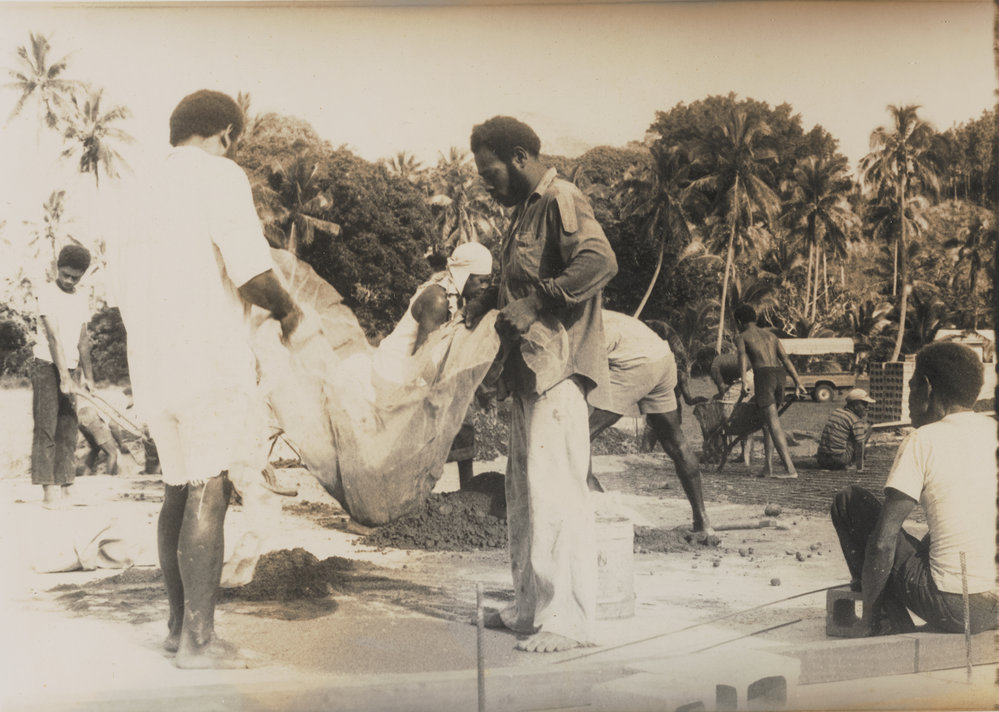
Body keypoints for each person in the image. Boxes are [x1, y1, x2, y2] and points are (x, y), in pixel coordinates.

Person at [108, 90, 303, 669]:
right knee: (208, 489)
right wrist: (289, 310)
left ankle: (177, 630)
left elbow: (120, 291)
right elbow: (251, 273)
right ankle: (200, 642)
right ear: (225, 134)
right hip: (207, 362)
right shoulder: (219, 175)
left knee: (177, 486)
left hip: (153, 364)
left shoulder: (135, 189)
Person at [471, 116, 617, 652]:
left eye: (491, 173)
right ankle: (530, 607)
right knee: (526, 496)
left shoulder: (561, 199)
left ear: (518, 157)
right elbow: (519, 281)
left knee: (557, 496)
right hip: (527, 375)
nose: (488, 185)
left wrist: (536, 302)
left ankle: (569, 621)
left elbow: (599, 261)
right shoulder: (522, 215)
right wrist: (489, 299)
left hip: (557, 374)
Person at [830, 342, 998, 636]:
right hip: (993, 605)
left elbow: (883, 543)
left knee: (850, 501)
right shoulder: (991, 430)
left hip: (955, 608)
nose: (908, 400)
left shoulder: (923, 439)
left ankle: (883, 619)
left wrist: (867, 618)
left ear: (927, 388)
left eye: (911, 388)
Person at [373, 242, 493, 489]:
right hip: (397, 373)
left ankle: (466, 489)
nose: (484, 287)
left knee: (462, 415)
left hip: (424, 369)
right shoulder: (438, 299)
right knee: (407, 439)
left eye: (487, 281)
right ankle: (399, 492)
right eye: (481, 281)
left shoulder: (459, 296)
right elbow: (420, 357)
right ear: (465, 275)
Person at [588, 311, 713, 538]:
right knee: (676, 442)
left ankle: (597, 506)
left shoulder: (566, 325)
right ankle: (703, 522)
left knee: (579, 434)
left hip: (635, 362)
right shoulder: (601, 315)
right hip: (663, 357)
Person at [31, 244, 94, 508]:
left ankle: (68, 488)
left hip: (71, 367)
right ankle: (48, 493)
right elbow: (54, 337)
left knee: (68, 428)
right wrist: (63, 377)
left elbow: (83, 340)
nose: (69, 280)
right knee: (46, 427)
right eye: (65, 274)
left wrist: (89, 377)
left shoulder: (81, 297)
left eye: (75, 277)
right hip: (47, 366)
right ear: (58, 267)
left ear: (82, 275)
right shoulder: (47, 293)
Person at [733, 304, 807, 477]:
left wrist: (743, 381)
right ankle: (768, 467)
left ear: (739, 321)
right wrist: (798, 382)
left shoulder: (741, 337)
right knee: (767, 424)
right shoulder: (771, 336)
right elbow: (785, 359)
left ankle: (790, 469)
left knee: (773, 424)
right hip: (780, 375)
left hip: (764, 376)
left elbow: (742, 357)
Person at [816, 388, 875, 471]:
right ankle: (852, 464)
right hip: (838, 460)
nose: (867, 408)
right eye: (864, 405)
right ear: (855, 406)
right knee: (866, 433)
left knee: (852, 433)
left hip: (822, 459)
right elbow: (860, 445)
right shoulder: (855, 420)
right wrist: (860, 468)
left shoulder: (837, 412)